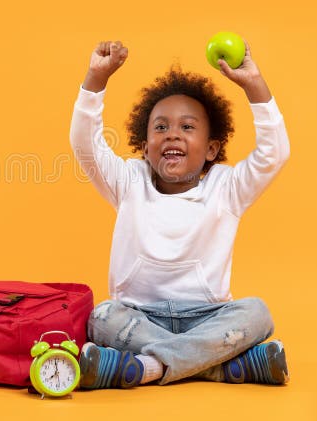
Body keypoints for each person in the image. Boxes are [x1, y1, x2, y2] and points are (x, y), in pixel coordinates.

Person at [69, 40, 290, 388]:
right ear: (144, 148)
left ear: (211, 149)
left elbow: (274, 153)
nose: (173, 133)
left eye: (187, 128)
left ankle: (145, 368)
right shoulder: (129, 182)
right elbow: (85, 144)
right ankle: (220, 367)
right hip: (137, 317)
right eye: (160, 128)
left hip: (208, 318)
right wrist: (96, 79)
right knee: (102, 317)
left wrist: (253, 84)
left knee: (257, 313)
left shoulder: (227, 189)